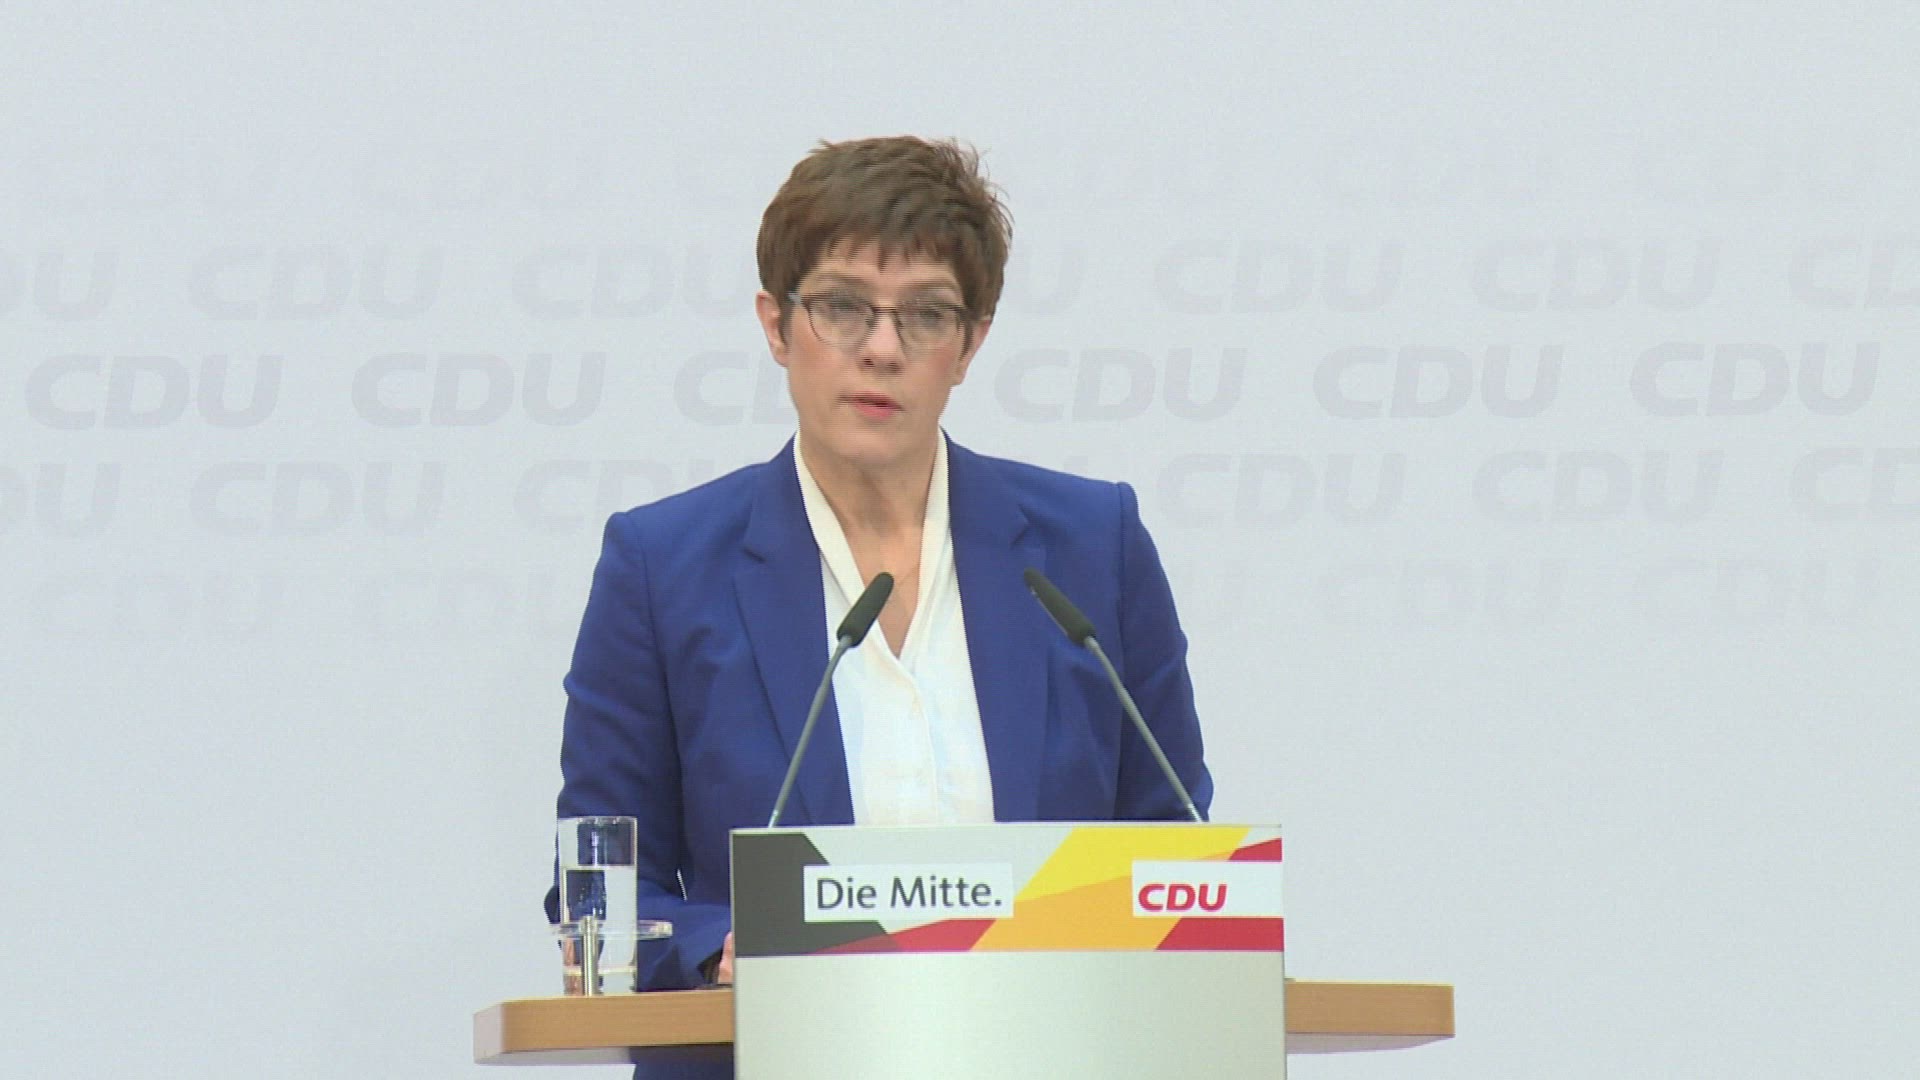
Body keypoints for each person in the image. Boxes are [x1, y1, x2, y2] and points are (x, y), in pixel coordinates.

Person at [548, 136, 1212, 995]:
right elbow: (602, 890)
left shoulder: (1092, 549)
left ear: (969, 346)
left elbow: (1171, 842)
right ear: (776, 326)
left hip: (1052, 1038)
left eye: (926, 314)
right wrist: (721, 951)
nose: (883, 349)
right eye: (843, 307)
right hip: (771, 1043)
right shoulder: (662, 568)